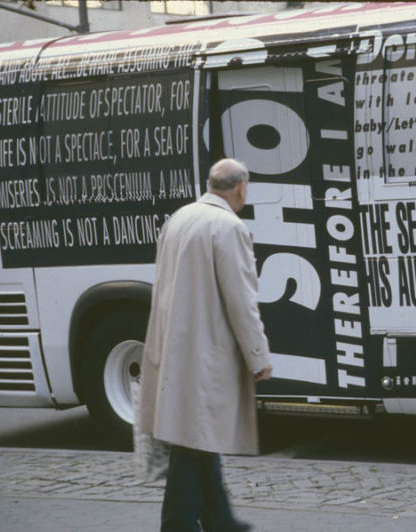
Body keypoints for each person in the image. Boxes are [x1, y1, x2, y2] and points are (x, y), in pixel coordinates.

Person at [137, 158, 273, 532]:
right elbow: (241, 300)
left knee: (197, 433)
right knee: (196, 437)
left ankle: (219, 519)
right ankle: (178, 523)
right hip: (206, 351)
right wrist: (258, 356)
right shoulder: (228, 226)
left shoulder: (179, 217)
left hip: (176, 345)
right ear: (241, 188)